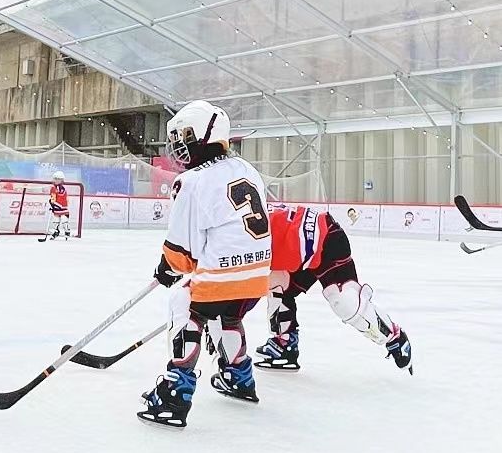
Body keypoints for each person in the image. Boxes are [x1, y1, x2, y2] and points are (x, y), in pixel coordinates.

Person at [138, 101, 271, 428]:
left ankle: (175, 393)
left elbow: (181, 252)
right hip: (257, 278)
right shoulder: (247, 169)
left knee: (184, 302)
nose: (178, 143)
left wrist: (167, 267)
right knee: (227, 316)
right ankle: (239, 376)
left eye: (184, 135)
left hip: (221, 276)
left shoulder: (192, 181)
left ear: (205, 134)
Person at [254, 202, 412, 373]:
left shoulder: (238, 230)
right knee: (277, 287)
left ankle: (395, 336)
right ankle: (285, 344)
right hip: (298, 252)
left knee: (345, 302)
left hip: (326, 238)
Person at [42, 170, 73, 242]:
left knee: (64, 221)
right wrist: (52, 204)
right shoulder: (53, 188)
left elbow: (63, 197)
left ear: (61, 180)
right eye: (54, 178)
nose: (55, 180)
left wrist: (55, 204)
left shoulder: (63, 189)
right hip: (57, 208)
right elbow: (53, 198)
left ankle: (67, 231)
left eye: (57, 179)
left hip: (63, 208)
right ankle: (56, 231)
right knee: (56, 220)